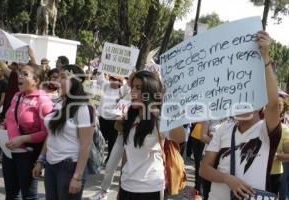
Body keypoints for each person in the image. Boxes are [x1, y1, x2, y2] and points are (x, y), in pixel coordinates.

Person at [199, 31, 281, 200]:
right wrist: (227, 179)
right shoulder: (223, 129)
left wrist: (265, 58)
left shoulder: (266, 130)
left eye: (244, 97)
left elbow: (273, 104)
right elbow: (204, 169)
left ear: (259, 103)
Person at [118, 70, 186, 200]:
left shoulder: (159, 119)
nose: (133, 91)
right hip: (126, 186)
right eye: (132, 87)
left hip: (150, 187)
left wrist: (165, 109)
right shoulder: (130, 117)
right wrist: (121, 184)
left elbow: (180, 137)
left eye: (138, 88)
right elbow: (127, 154)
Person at [32, 64, 95, 200]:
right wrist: (41, 160)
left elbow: (86, 144)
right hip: (51, 165)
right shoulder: (59, 103)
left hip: (69, 167)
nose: (58, 81)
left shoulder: (83, 108)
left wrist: (77, 177)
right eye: (58, 77)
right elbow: (51, 133)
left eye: (63, 77)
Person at [1, 62, 53, 200]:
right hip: (9, 152)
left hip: (28, 155)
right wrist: (1, 127)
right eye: (20, 74)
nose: (20, 77)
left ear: (36, 81)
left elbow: (47, 133)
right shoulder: (17, 95)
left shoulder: (44, 101)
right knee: (11, 194)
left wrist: (23, 139)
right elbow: (9, 118)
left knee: (29, 196)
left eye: (25, 74)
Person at [269, 95, 289, 196]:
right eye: (273, 104)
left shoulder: (285, 129)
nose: (275, 108)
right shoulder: (256, 126)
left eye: (279, 105)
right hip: (253, 172)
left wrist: (275, 156)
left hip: (274, 174)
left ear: (283, 108)